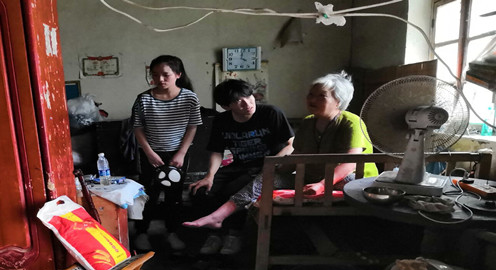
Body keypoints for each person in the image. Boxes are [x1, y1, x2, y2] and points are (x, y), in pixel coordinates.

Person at [183, 71, 378, 231]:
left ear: (338, 100)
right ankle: (218, 217)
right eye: (311, 94)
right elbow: (297, 155)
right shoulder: (308, 122)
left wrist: (321, 185)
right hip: (311, 177)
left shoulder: (351, 122)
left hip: (349, 180)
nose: (312, 99)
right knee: (266, 178)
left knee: (350, 183)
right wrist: (272, 171)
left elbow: (350, 163)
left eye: (321, 96)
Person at [184, 79, 294, 255]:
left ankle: (233, 235)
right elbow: (217, 151)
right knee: (200, 190)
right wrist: (209, 176)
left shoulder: (271, 113)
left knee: (234, 189)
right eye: (238, 101)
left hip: (265, 168)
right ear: (226, 106)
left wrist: (271, 163)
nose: (247, 103)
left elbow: (290, 145)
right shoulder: (222, 120)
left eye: (249, 96)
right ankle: (215, 235)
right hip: (239, 166)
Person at [131, 55, 202, 251]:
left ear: (178, 74)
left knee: (174, 196)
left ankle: (172, 232)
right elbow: (137, 128)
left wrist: (181, 153)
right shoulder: (143, 99)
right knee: (148, 195)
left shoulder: (189, 98)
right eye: (155, 75)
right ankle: (141, 233)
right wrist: (149, 153)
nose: (160, 79)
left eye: (165, 75)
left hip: (178, 154)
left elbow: (192, 127)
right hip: (150, 154)